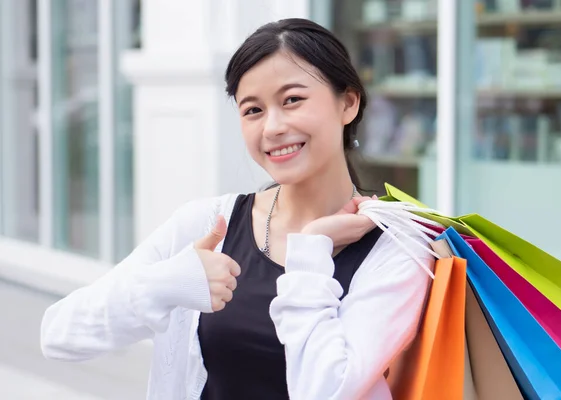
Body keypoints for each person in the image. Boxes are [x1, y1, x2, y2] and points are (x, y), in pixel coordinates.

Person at [40, 18, 434, 400]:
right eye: (252, 110)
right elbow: (59, 335)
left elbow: (326, 389)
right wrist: (165, 285)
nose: (272, 127)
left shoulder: (397, 247)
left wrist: (311, 250)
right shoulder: (210, 226)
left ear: (347, 103)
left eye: (292, 100)